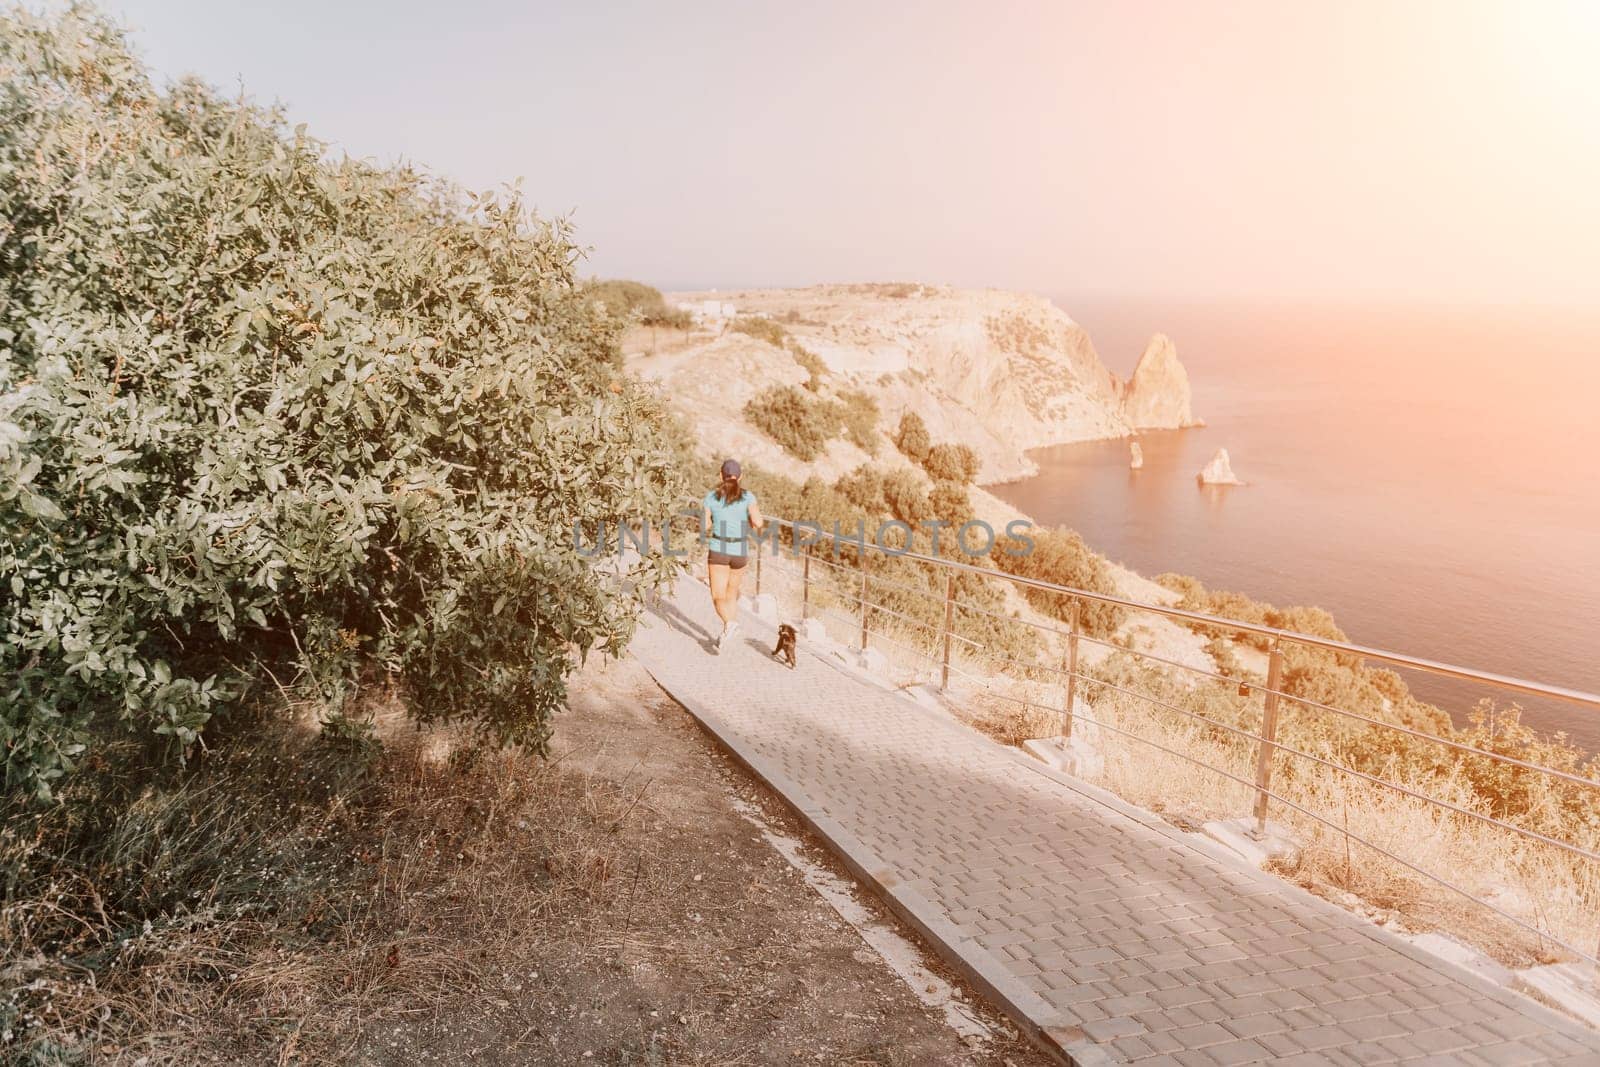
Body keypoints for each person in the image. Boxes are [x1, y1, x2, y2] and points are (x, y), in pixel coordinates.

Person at [702, 458, 765, 653]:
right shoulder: (748, 497)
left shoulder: (711, 497)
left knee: (717, 595)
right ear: (740, 477)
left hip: (719, 549)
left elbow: (706, 526)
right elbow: (758, 522)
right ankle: (728, 630)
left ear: (721, 475)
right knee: (731, 594)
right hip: (740, 551)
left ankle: (730, 624)